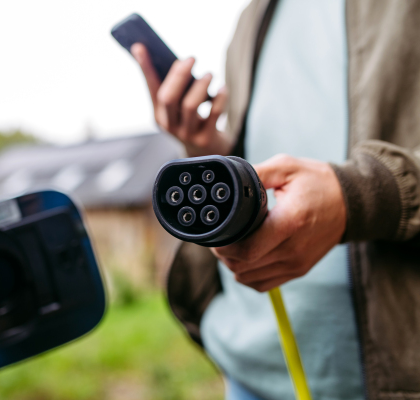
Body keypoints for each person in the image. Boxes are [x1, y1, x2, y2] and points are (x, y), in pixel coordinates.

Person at [131, 0, 420, 399]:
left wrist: (361, 196)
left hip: (381, 377)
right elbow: (262, 161)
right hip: (249, 368)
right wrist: (209, 147)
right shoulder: (251, 19)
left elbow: (359, 190)